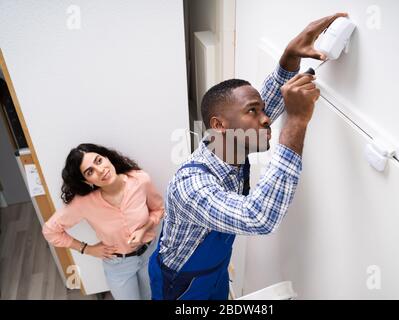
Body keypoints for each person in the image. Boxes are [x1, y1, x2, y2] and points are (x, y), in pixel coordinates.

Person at [148, 13, 348, 300]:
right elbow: (258, 217)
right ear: (220, 124)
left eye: (262, 110)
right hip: (181, 286)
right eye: (253, 111)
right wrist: (296, 123)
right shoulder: (191, 186)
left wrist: (289, 57)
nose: (267, 119)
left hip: (214, 273)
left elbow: (265, 103)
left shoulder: (229, 144)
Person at [42, 143, 164, 300]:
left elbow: (158, 210)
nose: (100, 171)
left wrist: (144, 229)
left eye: (98, 161)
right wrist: (86, 249)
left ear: (107, 157)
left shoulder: (140, 179)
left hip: (149, 254)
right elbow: (50, 230)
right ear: (86, 181)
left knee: (152, 296)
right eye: (90, 171)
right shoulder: (83, 203)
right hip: (119, 265)